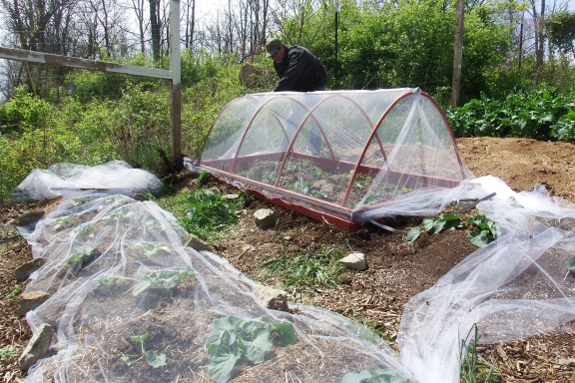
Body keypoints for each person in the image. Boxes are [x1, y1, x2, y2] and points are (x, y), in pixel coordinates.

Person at [266, 37, 326, 154]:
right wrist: (293, 100)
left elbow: (290, 76)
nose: (274, 58)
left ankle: (313, 152)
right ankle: (283, 150)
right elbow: (288, 84)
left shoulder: (298, 54)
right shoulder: (277, 64)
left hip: (315, 86)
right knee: (292, 118)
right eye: (272, 56)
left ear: (282, 48)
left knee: (316, 118)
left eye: (276, 54)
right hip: (299, 90)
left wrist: (273, 94)